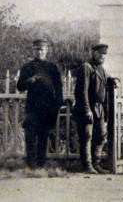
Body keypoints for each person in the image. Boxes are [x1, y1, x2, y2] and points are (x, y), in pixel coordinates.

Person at [17, 37, 63, 169]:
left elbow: (58, 87)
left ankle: (41, 164)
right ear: (33, 51)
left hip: (48, 107)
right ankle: (31, 164)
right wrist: (30, 80)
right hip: (32, 107)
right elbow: (20, 86)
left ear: (46, 51)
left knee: (44, 134)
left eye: (41, 50)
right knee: (30, 134)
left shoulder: (52, 67)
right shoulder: (27, 67)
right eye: (36, 50)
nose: (39, 52)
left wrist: (58, 104)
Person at [73, 43, 114, 174]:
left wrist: (112, 81)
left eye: (104, 55)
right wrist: (87, 110)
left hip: (99, 107)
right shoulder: (86, 67)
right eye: (100, 54)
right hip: (87, 106)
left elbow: (106, 83)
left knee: (101, 135)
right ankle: (86, 165)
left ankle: (96, 163)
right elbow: (82, 91)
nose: (102, 57)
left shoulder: (101, 69)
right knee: (86, 135)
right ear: (94, 53)